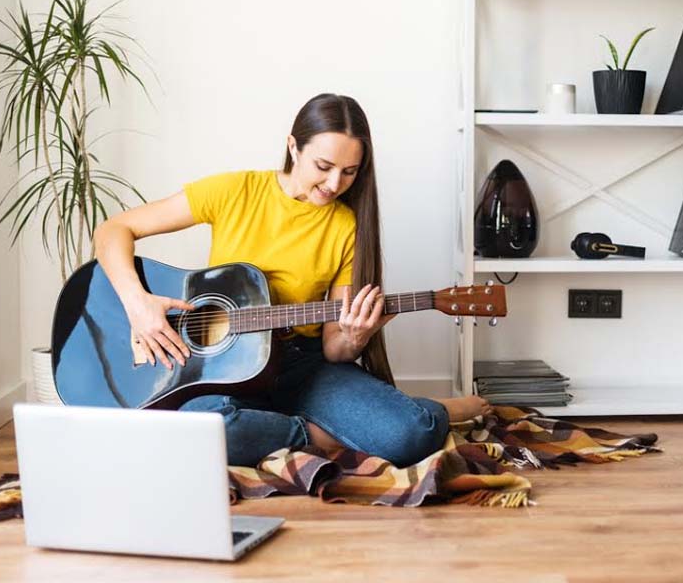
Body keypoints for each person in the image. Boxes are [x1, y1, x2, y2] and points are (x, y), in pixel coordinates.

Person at [93, 93, 491, 468]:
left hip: (301, 363)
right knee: (203, 428)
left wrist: (354, 336)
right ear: (293, 147)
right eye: (324, 166)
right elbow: (114, 229)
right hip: (218, 364)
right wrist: (138, 303)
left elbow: (335, 349)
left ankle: (426, 410)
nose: (335, 184)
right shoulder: (234, 191)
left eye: (350, 172)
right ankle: (319, 434)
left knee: (411, 434)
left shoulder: (347, 226)